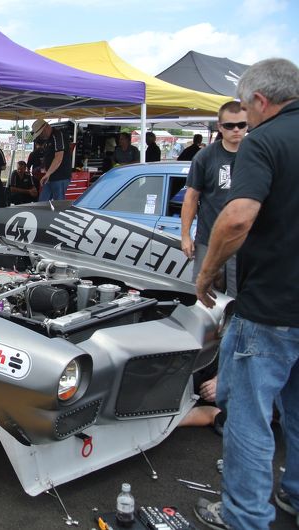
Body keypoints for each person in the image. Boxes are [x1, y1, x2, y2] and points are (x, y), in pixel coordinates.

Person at [192, 58, 299, 530]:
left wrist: (208, 271)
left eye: (245, 112)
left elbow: (237, 218)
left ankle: (245, 517)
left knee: (248, 419)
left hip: (272, 306)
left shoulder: (265, 140)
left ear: (259, 100)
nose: (243, 123)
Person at [181, 100, 247, 297]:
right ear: (220, 126)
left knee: (240, 301)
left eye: (241, 124)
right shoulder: (205, 156)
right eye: (230, 125)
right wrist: (185, 236)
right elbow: (191, 197)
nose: (236, 130)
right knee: (204, 298)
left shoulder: (256, 154)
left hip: (244, 243)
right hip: (208, 241)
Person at [31, 119, 72, 201]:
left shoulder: (58, 135)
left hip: (60, 176)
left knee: (58, 203)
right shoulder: (49, 138)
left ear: (46, 128)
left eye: (41, 133)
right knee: (42, 202)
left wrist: (47, 173)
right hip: (50, 176)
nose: (40, 136)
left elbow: (58, 157)